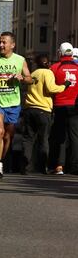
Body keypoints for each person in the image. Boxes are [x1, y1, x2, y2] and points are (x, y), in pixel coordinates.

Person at [0, 32, 32, 179]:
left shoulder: (20, 60)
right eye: (0, 42)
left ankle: (0, 160)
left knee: (8, 135)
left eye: (4, 43)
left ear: (12, 45)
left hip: (13, 102)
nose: (1, 45)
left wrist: (22, 78)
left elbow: (30, 79)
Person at [22, 54, 67, 174]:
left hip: (29, 109)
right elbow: (52, 88)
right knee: (43, 139)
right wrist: (64, 86)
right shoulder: (47, 73)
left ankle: (26, 166)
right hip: (43, 109)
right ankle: (42, 167)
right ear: (47, 64)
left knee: (28, 139)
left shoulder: (33, 73)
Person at [49, 42, 78, 175]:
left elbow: (49, 87)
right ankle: (74, 166)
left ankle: (59, 166)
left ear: (60, 53)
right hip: (75, 106)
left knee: (59, 136)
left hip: (59, 106)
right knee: (75, 137)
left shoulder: (54, 67)